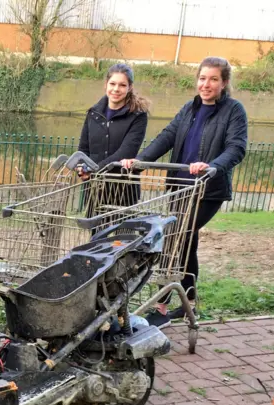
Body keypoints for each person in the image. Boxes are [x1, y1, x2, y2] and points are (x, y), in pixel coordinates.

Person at [121, 56, 248, 328]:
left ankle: (162, 306)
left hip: (207, 189)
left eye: (213, 79)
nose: (206, 84)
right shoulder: (189, 109)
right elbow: (167, 137)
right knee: (186, 242)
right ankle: (188, 304)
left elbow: (236, 148)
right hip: (180, 188)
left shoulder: (233, 111)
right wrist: (141, 161)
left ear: (224, 83)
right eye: (202, 78)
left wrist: (212, 166)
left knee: (176, 238)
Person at [77, 63, 149, 216]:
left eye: (122, 85)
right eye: (113, 84)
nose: (116, 89)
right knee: (96, 237)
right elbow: (83, 149)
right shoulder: (93, 113)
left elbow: (126, 151)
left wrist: (94, 170)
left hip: (123, 190)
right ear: (106, 84)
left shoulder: (138, 116)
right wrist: (82, 167)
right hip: (95, 189)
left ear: (130, 87)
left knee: (120, 239)